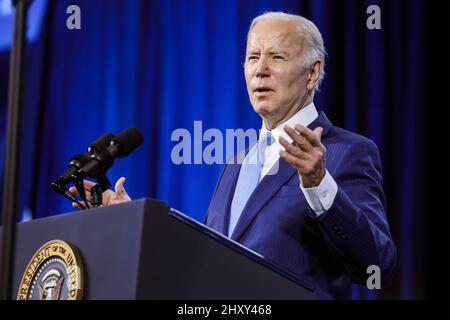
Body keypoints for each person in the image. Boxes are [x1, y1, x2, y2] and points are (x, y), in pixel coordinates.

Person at [71, 12, 396, 299]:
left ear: (312, 74)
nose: (260, 70)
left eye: (277, 57)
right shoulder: (237, 163)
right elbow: (202, 256)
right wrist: (130, 219)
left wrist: (319, 185)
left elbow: (376, 263)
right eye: (252, 57)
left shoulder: (346, 152)